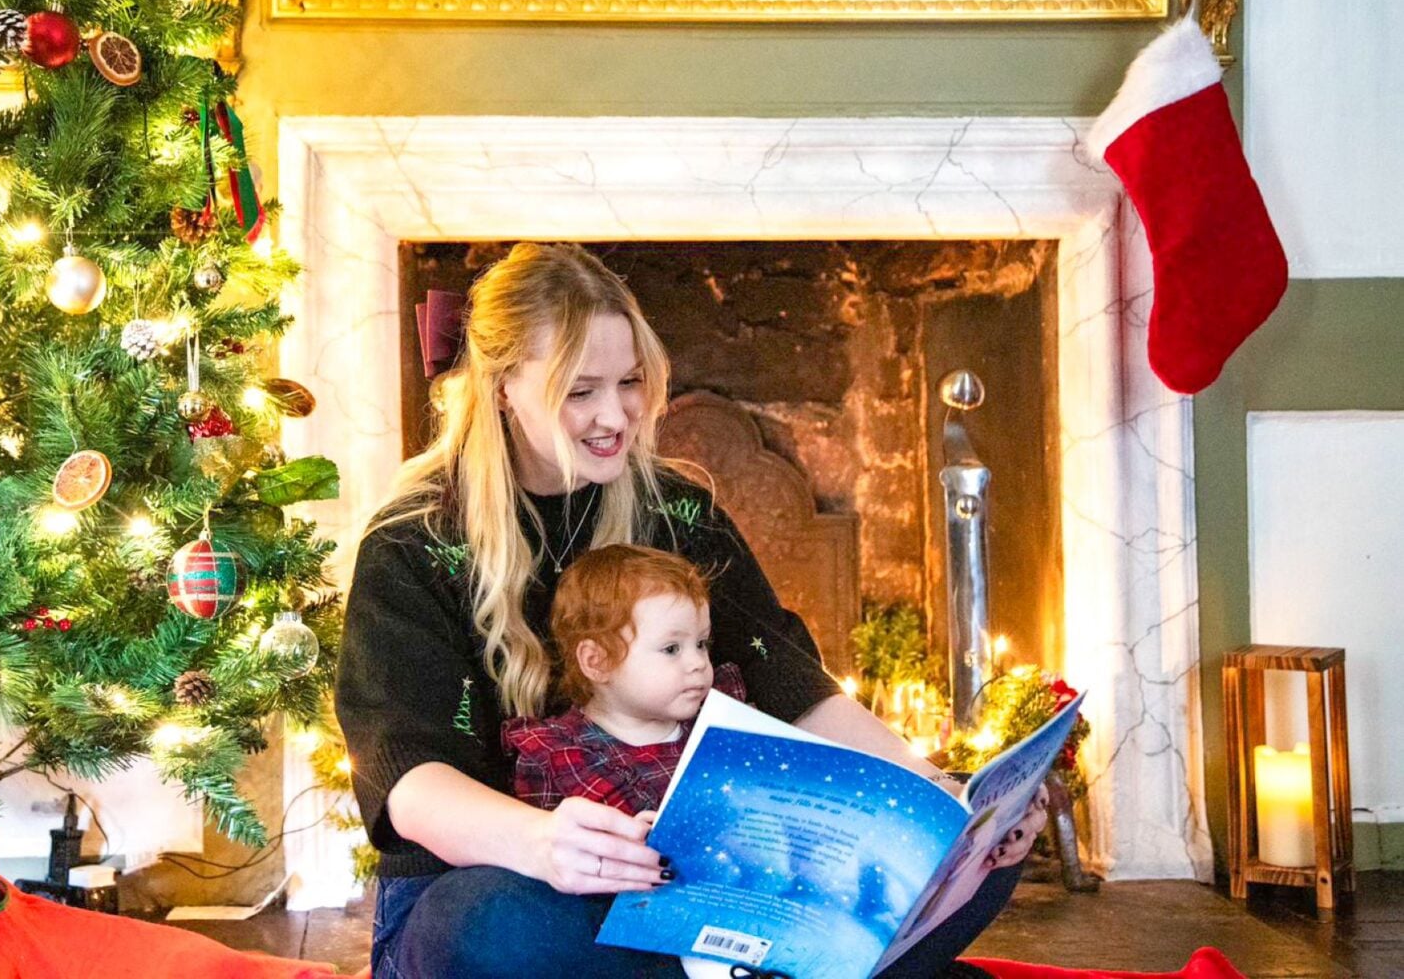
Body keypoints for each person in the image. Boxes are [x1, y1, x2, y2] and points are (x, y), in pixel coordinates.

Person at [335, 242, 1047, 979]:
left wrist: (936, 794)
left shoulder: (676, 510)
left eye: (631, 382)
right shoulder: (415, 542)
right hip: (513, 884)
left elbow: (793, 688)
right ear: (502, 388)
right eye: (580, 392)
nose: (616, 415)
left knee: (982, 862)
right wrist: (544, 844)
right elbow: (409, 780)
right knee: (485, 927)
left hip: (698, 895)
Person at [502, 544, 746, 818]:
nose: (698, 662)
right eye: (671, 649)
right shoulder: (561, 757)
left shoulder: (718, 721)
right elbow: (551, 851)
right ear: (598, 662)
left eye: (701, 643)